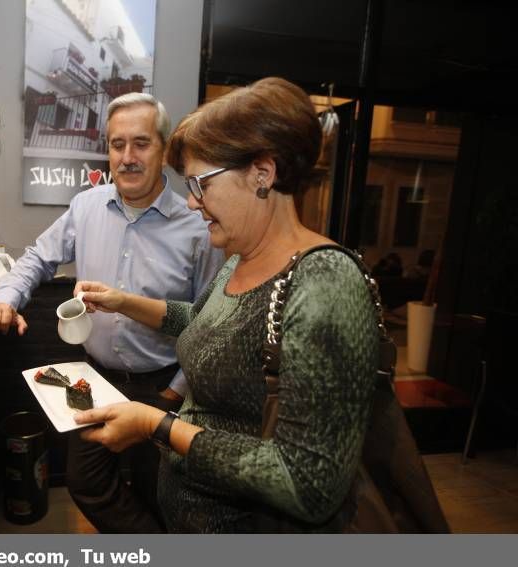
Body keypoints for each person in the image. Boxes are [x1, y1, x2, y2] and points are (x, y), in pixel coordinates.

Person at [72, 78, 380, 532]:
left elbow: (308, 485)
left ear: (262, 174)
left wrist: (157, 426)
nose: (193, 203)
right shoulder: (238, 259)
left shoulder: (325, 284)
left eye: (200, 184)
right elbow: (199, 321)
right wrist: (122, 302)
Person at [0, 92, 224, 532]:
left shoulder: (198, 225)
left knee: (160, 493)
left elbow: (209, 319)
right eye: (117, 144)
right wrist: (5, 297)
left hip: (165, 386)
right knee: (86, 482)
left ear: (163, 149)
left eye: (141, 144)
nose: (127, 157)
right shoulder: (86, 206)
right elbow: (38, 257)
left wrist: (175, 389)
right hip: (96, 379)